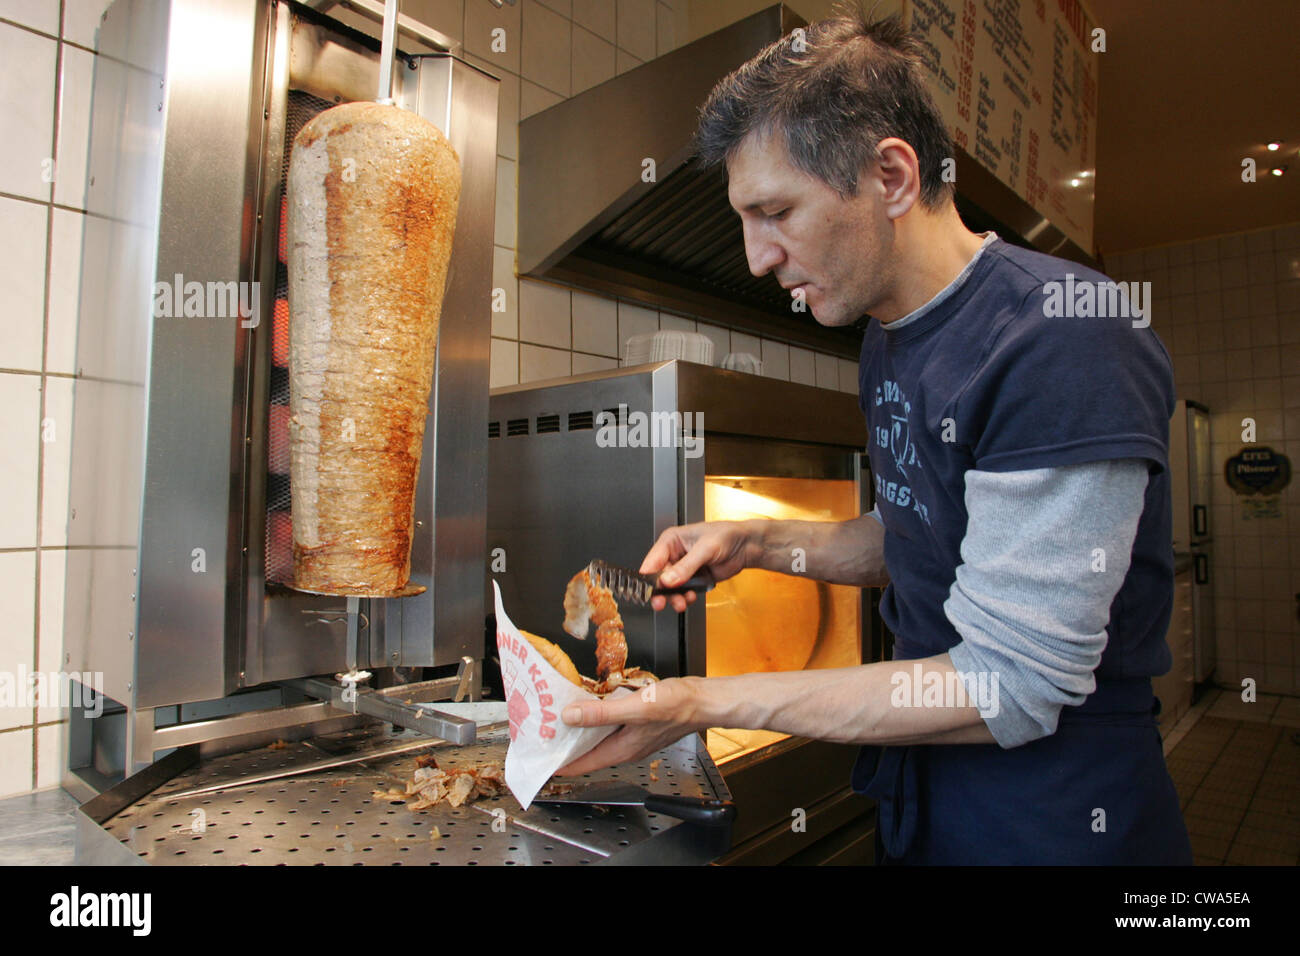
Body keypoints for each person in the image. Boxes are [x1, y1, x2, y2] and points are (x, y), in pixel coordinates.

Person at [557, 8, 1193, 865]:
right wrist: (762, 540)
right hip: (930, 784)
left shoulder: (1063, 341)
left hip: (1054, 808)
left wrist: (700, 702)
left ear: (892, 176)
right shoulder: (888, 339)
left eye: (775, 210)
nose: (755, 257)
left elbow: (1013, 684)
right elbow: (922, 540)